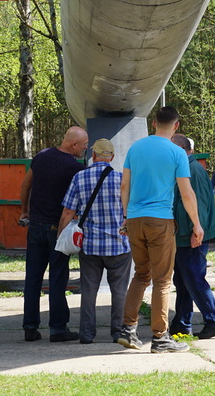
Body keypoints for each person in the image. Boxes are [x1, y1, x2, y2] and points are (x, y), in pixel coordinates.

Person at [118, 106, 201, 354]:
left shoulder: (135, 148)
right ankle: (160, 337)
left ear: (154, 123)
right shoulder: (177, 153)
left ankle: (128, 330)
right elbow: (186, 193)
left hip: (134, 219)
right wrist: (196, 224)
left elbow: (124, 186)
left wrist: (126, 216)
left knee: (141, 275)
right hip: (160, 220)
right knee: (162, 281)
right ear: (176, 126)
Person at [59, 138, 130, 344]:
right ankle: (118, 332)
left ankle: (87, 334)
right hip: (118, 244)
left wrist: (61, 236)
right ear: (112, 157)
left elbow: (68, 211)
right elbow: (131, 211)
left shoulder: (79, 178)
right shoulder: (121, 179)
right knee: (119, 291)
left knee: (89, 290)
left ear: (94, 155)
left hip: (90, 246)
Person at [19, 126, 87, 342]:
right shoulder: (74, 168)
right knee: (58, 278)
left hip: (36, 226)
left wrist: (24, 210)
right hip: (58, 229)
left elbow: (25, 184)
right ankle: (58, 329)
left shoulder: (42, 156)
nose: (85, 149)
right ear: (74, 144)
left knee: (33, 278)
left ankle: (30, 326)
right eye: (84, 145)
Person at [169, 134, 215, 339]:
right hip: (183, 235)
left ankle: (214, 321)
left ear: (179, 151)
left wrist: (197, 229)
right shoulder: (185, 168)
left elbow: (200, 204)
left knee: (194, 279)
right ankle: (182, 324)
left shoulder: (193, 170)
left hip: (190, 236)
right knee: (183, 281)